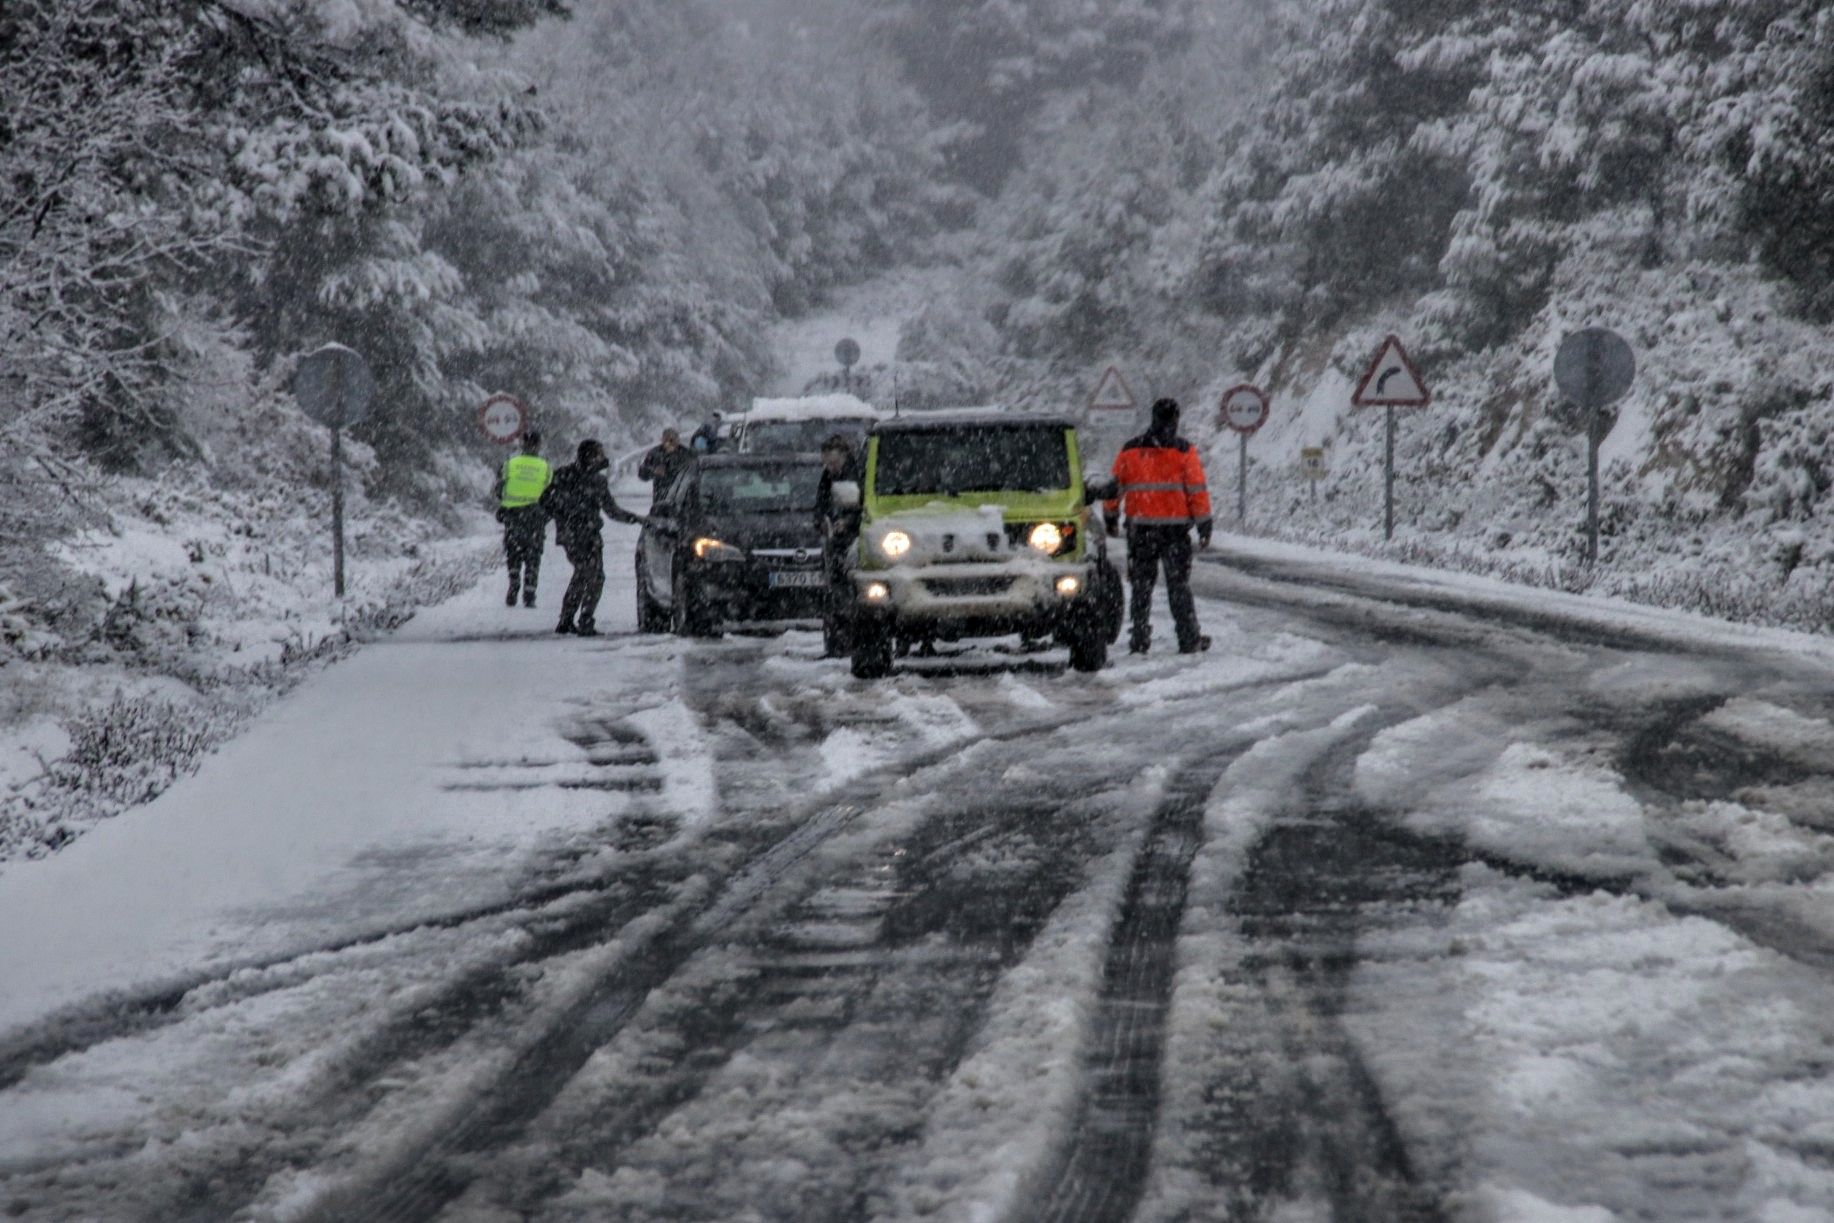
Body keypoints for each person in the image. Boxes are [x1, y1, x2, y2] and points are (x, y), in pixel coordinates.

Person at [1104, 397, 1213, 655]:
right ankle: (1188, 638)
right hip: (1175, 532)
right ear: (1175, 420)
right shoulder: (1185, 451)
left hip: (1140, 530)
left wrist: (1110, 518)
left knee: (1141, 585)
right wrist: (1204, 525)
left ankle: (1139, 637)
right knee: (1179, 586)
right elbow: (1196, 492)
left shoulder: (1130, 451)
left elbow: (1113, 488)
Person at [540, 438, 646, 637]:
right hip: (575, 534)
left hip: (586, 535)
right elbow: (546, 501)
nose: (602, 457)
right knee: (593, 576)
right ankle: (584, 620)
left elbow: (611, 510)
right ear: (589, 456)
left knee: (583, 574)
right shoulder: (567, 476)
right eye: (599, 454)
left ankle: (567, 620)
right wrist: (566, 513)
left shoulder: (592, 480)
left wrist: (635, 519)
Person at [813, 433, 863, 657]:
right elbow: (820, 505)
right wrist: (821, 522)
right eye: (826, 463)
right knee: (833, 594)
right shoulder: (827, 477)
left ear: (843, 456)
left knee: (851, 592)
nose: (830, 468)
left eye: (833, 463)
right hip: (835, 542)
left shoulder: (858, 474)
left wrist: (850, 522)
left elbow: (865, 506)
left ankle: (852, 640)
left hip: (854, 542)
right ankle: (836, 643)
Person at [494, 431, 551, 608]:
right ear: (539, 445)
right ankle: (529, 592)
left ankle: (514, 582)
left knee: (514, 552)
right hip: (535, 516)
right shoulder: (545, 467)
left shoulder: (510, 464)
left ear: (522, 445)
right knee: (533, 555)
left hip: (513, 515)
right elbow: (550, 492)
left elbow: (499, 488)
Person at [637, 427, 691, 507]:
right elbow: (642, 473)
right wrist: (653, 472)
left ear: (678, 440)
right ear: (662, 440)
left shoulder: (686, 454)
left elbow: (696, 471)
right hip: (660, 498)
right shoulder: (655, 453)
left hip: (682, 498)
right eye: (666, 440)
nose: (668, 443)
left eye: (672, 440)